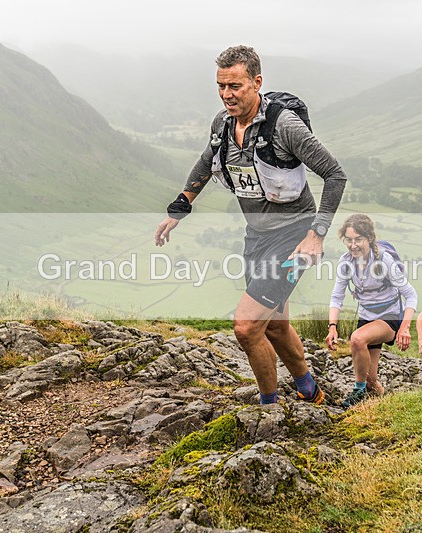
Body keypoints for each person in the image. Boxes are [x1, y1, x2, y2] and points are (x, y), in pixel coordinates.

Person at [154, 45, 346, 405]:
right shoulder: (223, 123)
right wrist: (179, 208)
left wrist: (316, 235)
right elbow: (206, 161)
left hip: (293, 239)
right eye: (221, 86)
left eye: (235, 86)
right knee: (274, 325)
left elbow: (335, 175)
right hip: (256, 236)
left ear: (257, 83)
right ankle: (310, 392)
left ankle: (269, 408)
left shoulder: (284, 126)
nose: (227, 95)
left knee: (246, 327)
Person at [324, 214, 418, 408]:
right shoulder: (346, 262)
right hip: (367, 317)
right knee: (370, 380)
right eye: (348, 240)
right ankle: (385, 406)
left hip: (390, 316)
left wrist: (405, 328)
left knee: (357, 339)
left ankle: (357, 393)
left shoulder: (384, 260)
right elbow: (336, 297)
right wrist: (332, 326)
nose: (353, 245)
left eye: (358, 239)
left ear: (369, 239)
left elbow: (411, 295)